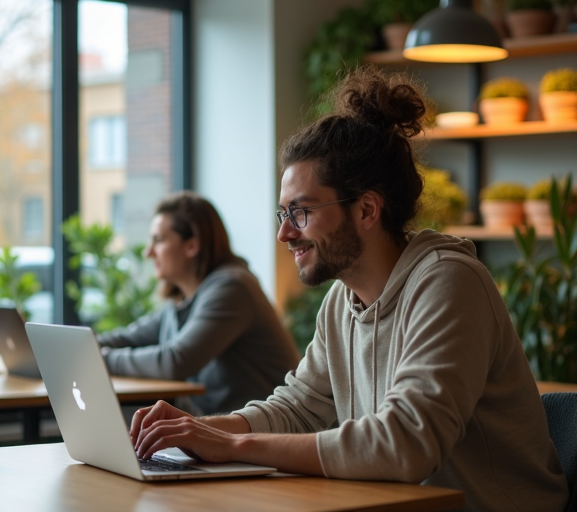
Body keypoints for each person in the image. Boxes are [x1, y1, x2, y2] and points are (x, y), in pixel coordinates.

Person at [129, 67, 569, 511]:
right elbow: (299, 409)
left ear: (367, 210)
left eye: (300, 213)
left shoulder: (449, 283)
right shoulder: (343, 300)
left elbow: (406, 443)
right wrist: (200, 431)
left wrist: (235, 447)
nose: (284, 235)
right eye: (282, 214)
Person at [97, 191, 300, 416]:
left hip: (267, 433)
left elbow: (176, 360)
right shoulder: (183, 300)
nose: (148, 252)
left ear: (191, 246)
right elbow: (129, 338)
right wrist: (85, 347)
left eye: (158, 240)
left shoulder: (232, 287)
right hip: (223, 431)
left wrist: (98, 359)